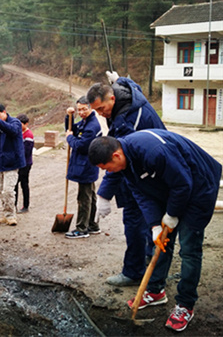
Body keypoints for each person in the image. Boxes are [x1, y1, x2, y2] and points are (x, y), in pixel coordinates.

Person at [88, 130, 221, 332]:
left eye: (107, 167)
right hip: (172, 188)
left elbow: (183, 184)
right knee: (161, 242)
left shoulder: (154, 151)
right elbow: (141, 193)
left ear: (116, 155)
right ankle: (156, 291)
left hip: (198, 187)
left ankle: (185, 304)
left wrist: (172, 214)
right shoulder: (125, 163)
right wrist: (155, 225)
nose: (110, 172)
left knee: (189, 248)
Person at [86, 71, 166, 286]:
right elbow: (129, 83)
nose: (101, 115)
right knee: (150, 220)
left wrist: (103, 194)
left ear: (112, 98)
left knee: (134, 222)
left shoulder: (127, 121)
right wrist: (119, 79)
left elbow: (117, 162)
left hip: (146, 170)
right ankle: (149, 257)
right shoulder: (128, 92)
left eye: (102, 109)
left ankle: (133, 272)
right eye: (97, 111)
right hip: (150, 167)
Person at [64, 96, 102, 239]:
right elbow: (73, 128)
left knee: (84, 198)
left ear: (91, 108)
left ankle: (81, 229)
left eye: (84, 109)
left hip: (86, 166)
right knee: (90, 196)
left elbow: (81, 145)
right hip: (86, 165)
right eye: (79, 110)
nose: (81, 112)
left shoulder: (92, 126)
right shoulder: (86, 121)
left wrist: (69, 138)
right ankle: (92, 225)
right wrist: (69, 117)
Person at [0, 103, 25, 226]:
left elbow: (12, 131)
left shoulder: (15, 123)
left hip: (12, 163)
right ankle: (6, 214)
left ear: (4, 112)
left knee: (8, 190)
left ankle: (11, 215)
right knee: (1, 191)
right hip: (0, 163)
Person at [14, 114, 34, 214]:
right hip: (17, 163)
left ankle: (26, 206)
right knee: (14, 184)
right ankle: (14, 205)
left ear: (26, 124)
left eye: (20, 124)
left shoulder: (28, 135)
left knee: (24, 184)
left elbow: (26, 151)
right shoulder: (18, 133)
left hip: (25, 164)